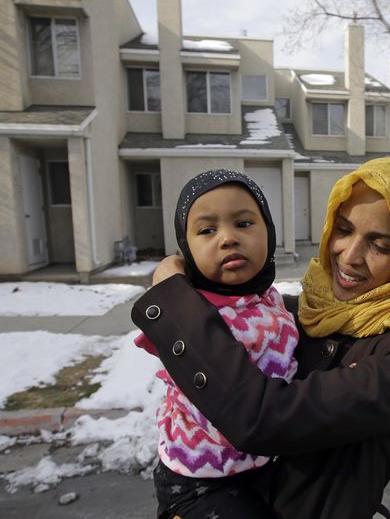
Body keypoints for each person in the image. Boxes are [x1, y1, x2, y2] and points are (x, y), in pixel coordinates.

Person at [133, 157, 390, 518]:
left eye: (380, 245)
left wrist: (172, 296)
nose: (349, 255)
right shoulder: (306, 311)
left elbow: (261, 419)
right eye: (343, 229)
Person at [134, 169, 299, 519]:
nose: (227, 238)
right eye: (207, 230)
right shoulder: (192, 314)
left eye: (243, 223)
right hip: (200, 479)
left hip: (258, 464)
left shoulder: (269, 299)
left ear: (269, 231)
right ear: (187, 249)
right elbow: (224, 414)